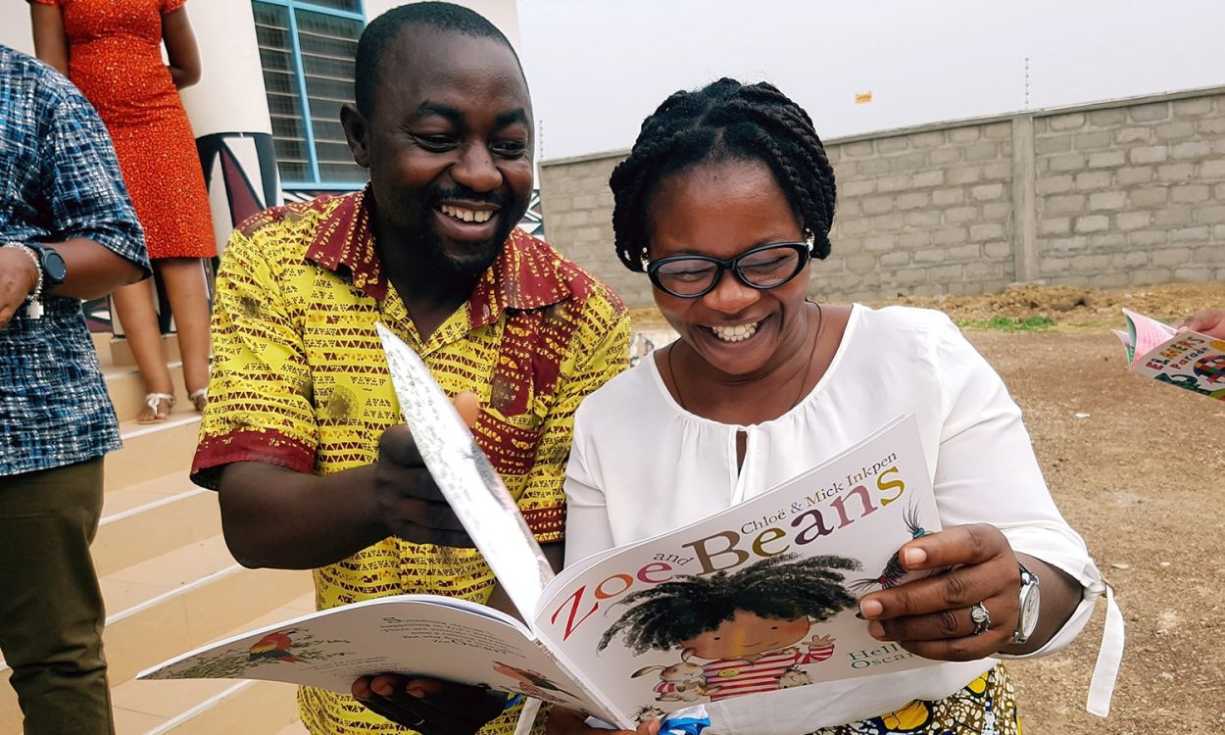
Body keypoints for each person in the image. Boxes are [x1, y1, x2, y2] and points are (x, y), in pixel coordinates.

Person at [554, 79, 1120, 735]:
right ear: (643, 258)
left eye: (766, 260)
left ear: (810, 234)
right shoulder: (609, 421)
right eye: (686, 269)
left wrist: (1008, 595)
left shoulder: (919, 359)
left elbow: (1051, 568)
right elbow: (597, 654)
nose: (730, 298)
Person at [188, 4, 630, 734]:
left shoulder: (579, 314)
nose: (483, 173)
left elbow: (560, 548)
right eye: (436, 138)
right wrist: (387, 495)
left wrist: (484, 681)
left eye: (510, 144)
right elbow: (253, 521)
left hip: (513, 716)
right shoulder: (275, 261)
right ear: (359, 137)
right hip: (344, 714)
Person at [0, 44, 150, 735]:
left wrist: (32, 261)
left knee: (57, 659)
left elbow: (119, 242)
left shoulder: (35, 93)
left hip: (30, 433)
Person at [30, 0, 216, 422]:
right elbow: (52, 75)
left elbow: (189, 67)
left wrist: (139, 86)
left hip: (159, 121)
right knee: (124, 252)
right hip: (96, 127)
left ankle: (201, 382)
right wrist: (96, 106)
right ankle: (157, 388)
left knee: (182, 246)